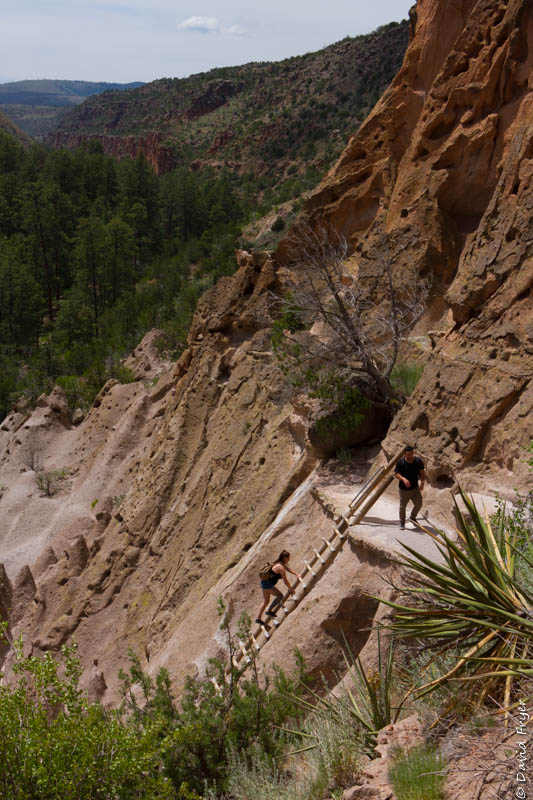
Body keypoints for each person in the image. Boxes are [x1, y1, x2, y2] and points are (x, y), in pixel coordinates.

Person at [256, 550, 301, 626]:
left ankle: (258, 618)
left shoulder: (278, 563)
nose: (289, 559)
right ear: (284, 558)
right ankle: (269, 610)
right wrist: (291, 588)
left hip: (263, 583)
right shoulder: (281, 567)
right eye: (288, 558)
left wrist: (296, 574)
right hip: (268, 585)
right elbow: (285, 581)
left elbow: (289, 569)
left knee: (266, 601)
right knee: (280, 596)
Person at [394, 445, 425, 529]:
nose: (410, 456)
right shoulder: (401, 462)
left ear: (413, 453)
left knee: (419, 504)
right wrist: (404, 479)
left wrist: (422, 483)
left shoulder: (418, 461)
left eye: (411, 454)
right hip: (404, 490)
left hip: (415, 488)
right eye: (408, 454)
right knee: (403, 507)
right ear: (404, 454)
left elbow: (422, 473)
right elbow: (396, 474)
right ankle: (402, 522)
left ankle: (412, 517)